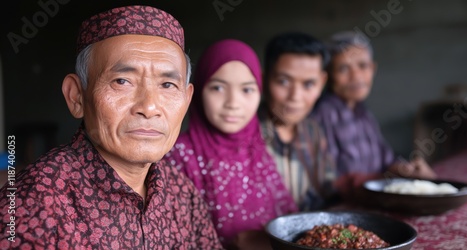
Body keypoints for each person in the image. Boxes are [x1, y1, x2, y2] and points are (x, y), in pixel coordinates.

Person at [0, 6, 223, 249]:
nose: (149, 107)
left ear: (187, 99)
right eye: (122, 81)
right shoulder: (32, 202)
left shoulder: (182, 193)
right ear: (77, 97)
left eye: (168, 84)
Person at [164, 39, 297, 248]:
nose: (233, 103)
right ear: (197, 92)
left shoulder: (256, 145)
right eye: (217, 87)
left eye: (247, 90)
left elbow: (289, 219)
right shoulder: (178, 155)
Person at [310, 31, 436, 197]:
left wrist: (405, 169)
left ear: (373, 69)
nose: (356, 77)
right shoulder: (323, 114)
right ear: (328, 75)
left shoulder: (363, 112)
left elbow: (386, 159)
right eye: (343, 69)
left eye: (363, 66)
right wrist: (385, 179)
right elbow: (329, 182)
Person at [260, 32, 337, 211]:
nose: (295, 97)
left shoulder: (313, 131)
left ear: (322, 83)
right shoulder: (245, 134)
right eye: (283, 81)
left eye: (309, 84)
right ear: (263, 79)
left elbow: (329, 193)